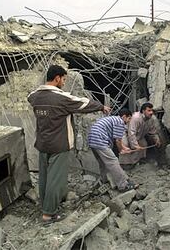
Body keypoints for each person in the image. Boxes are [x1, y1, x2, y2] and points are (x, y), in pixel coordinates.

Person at [28, 64, 111, 223]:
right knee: (56, 179)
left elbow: (30, 97)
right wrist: (101, 106)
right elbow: (83, 103)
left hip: (42, 143)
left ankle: (45, 205)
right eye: (64, 79)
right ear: (57, 78)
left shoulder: (35, 96)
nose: (64, 83)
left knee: (45, 177)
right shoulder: (61, 98)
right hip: (59, 144)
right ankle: (48, 214)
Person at [88, 108, 139, 192]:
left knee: (103, 162)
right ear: (124, 117)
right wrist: (121, 151)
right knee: (113, 161)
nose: (129, 121)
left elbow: (117, 139)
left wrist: (124, 148)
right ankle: (123, 185)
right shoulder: (120, 122)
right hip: (100, 140)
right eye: (129, 118)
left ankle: (105, 180)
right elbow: (118, 140)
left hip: (92, 140)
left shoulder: (113, 119)